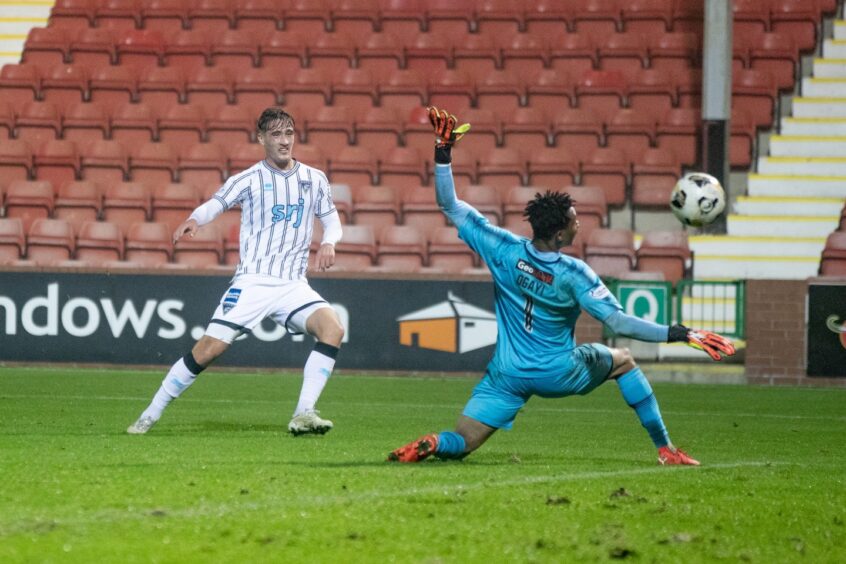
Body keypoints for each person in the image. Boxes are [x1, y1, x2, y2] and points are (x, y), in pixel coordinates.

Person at [388, 107, 736, 465]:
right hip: (558, 372)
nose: (578, 223)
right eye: (574, 220)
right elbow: (618, 324)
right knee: (624, 361)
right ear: (558, 233)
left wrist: (443, 153)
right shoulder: (575, 274)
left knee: (461, 440)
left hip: (507, 373)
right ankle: (667, 450)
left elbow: (449, 205)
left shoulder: (502, 249)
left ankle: (435, 441)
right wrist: (682, 333)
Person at [128, 107, 345, 436]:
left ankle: (304, 413)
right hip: (254, 281)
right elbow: (216, 203)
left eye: (289, 133)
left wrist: (328, 243)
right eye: (276, 135)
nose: (285, 141)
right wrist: (194, 220)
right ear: (261, 139)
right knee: (209, 349)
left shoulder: (314, 179)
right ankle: (150, 414)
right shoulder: (248, 179)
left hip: (293, 285)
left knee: (333, 329)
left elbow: (331, 220)